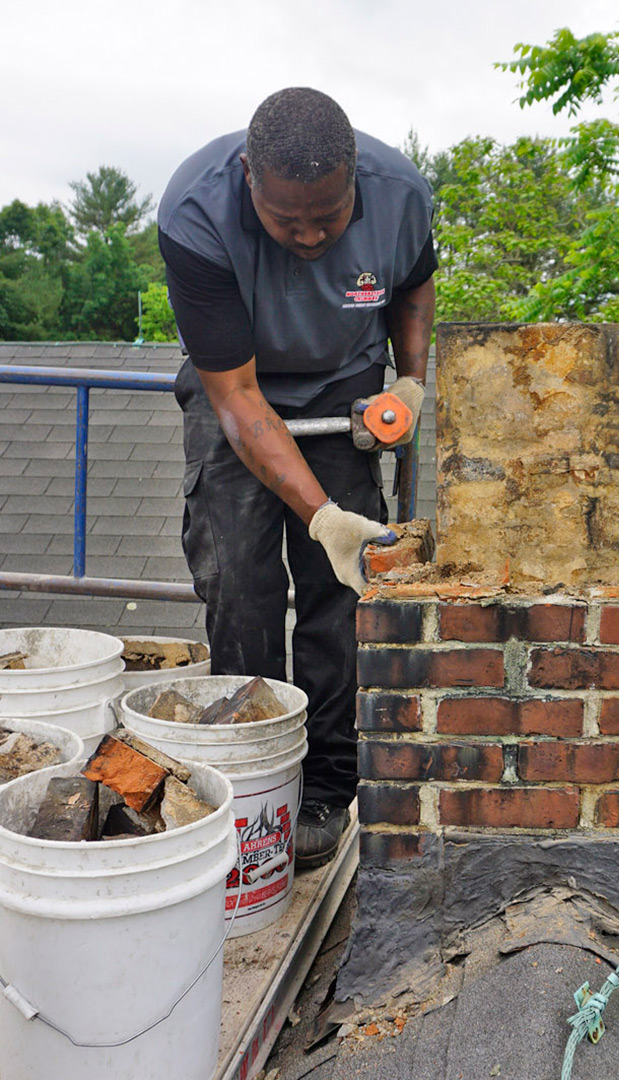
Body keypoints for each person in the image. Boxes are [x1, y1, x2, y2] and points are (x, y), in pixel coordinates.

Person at [158, 87, 436, 868]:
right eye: (289, 222)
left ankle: (325, 784)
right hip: (239, 392)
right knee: (238, 584)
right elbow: (239, 401)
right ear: (250, 178)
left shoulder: (401, 195)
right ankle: (256, 777)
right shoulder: (196, 212)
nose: (311, 235)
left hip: (343, 393)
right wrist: (321, 514)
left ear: (354, 180)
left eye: (329, 215)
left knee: (337, 594)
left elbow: (414, 283)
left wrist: (407, 383)